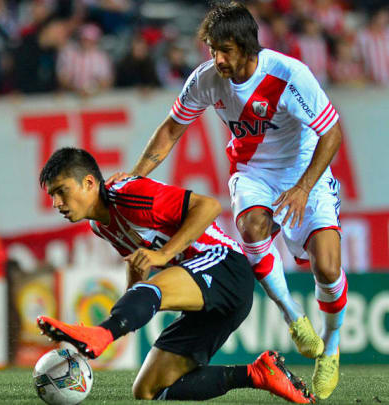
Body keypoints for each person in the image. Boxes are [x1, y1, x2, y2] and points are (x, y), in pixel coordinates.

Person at [106, 2, 345, 399]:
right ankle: (291, 314)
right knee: (251, 229)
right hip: (252, 173)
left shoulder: (289, 75)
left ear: (249, 48)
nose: (217, 59)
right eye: (213, 49)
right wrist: (135, 175)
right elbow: (171, 129)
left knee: (328, 266)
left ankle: (331, 347)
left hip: (306, 171)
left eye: (226, 50)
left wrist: (303, 188)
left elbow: (332, 133)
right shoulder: (206, 79)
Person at [36, 147, 314, 403]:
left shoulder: (130, 193)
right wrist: (129, 303)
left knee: (150, 295)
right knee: (148, 390)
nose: (56, 202)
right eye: (52, 196)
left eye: (61, 191)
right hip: (206, 297)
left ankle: (101, 334)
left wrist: (164, 255)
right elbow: (143, 276)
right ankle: (258, 373)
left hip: (226, 267)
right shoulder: (101, 226)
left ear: (88, 183)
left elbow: (209, 207)